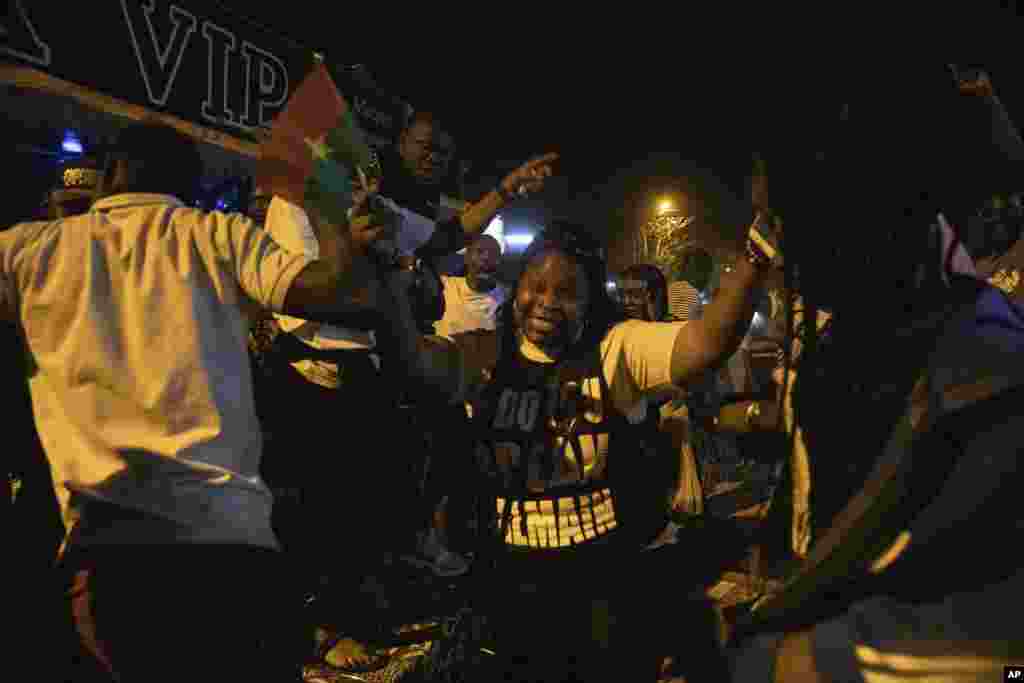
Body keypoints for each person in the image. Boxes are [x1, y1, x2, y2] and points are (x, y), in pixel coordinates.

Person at [0, 121, 393, 682]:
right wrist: (321, 203)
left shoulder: (29, 250)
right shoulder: (217, 235)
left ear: (110, 173)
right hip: (230, 541)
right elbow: (345, 292)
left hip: (111, 549)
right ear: (190, 182)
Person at [380, 210, 774, 680]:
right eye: (535, 286)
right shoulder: (484, 355)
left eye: (567, 293)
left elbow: (708, 342)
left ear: (590, 301)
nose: (546, 302)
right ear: (516, 287)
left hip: (601, 592)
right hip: (508, 588)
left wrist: (756, 254)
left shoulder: (617, 350)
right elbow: (411, 362)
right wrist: (385, 270)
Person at [728, 64, 1024, 681]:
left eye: (784, 218)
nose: (777, 244)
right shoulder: (853, 339)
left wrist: (790, 657)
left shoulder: (983, 369)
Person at [434, 234, 507, 338]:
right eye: (479, 251)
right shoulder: (443, 286)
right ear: (467, 257)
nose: (486, 257)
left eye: (493, 254)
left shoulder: (506, 299)